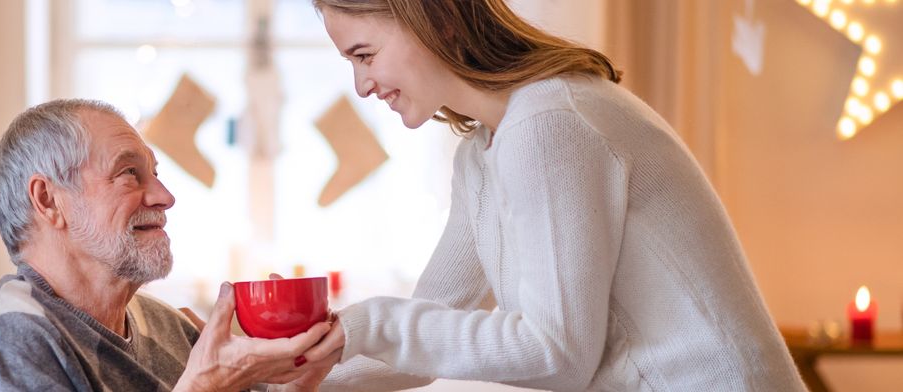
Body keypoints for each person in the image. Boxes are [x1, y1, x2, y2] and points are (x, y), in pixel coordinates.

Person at [296, 0, 806, 390]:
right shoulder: (483, 155)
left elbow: (557, 353)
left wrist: (367, 325)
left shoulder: (550, 123)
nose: (361, 85)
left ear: (438, 19)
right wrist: (281, 373)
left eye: (365, 55)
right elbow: (427, 324)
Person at [0, 99, 335, 391]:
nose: (164, 196)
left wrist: (295, 387)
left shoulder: (165, 326)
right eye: (129, 173)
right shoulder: (6, 336)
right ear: (48, 201)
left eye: (155, 174)